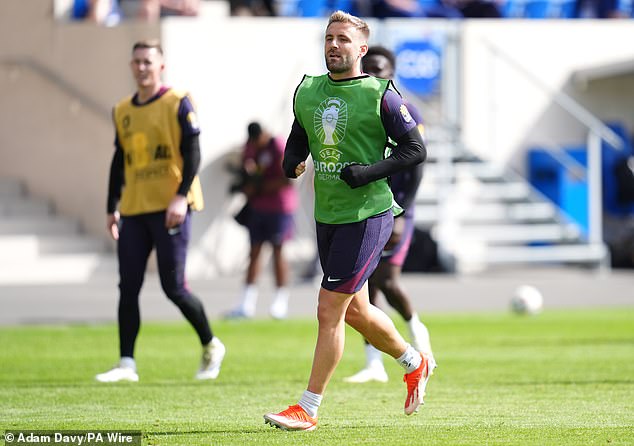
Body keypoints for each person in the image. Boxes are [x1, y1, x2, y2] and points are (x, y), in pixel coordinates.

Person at [263, 11, 435, 431]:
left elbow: (415, 150)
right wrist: (291, 160)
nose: (334, 45)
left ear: (361, 49)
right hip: (329, 214)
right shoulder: (307, 90)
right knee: (356, 311)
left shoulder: (381, 94)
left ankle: (308, 407)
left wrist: (368, 173)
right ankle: (415, 362)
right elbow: (299, 132)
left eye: (342, 39)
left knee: (328, 309)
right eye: (329, 38)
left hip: (367, 214)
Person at [96, 39, 225, 383]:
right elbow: (118, 161)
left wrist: (181, 196)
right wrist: (112, 207)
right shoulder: (122, 109)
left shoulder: (177, 102)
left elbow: (193, 152)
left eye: (147, 62)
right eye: (136, 61)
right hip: (135, 209)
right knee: (128, 286)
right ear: (131, 66)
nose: (142, 67)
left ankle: (211, 343)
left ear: (160, 66)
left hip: (171, 209)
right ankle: (126, 364)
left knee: (174, 288)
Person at [343, 46, 434, 384]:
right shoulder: (359, 109)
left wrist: (403, 211)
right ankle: (373, 363)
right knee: (364, 287)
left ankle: (419, 336)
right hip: (369, 206)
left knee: (388, 280)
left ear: (392, 73)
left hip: (397, 208)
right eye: (368, 69)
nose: (373, 74)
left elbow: (417, 163)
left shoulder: (404, 110)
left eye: (379, 69)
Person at [225, 122, 298, 319]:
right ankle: (245, 303)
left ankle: (280, 302)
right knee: (254, 252)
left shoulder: (277, 145)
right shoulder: (251, 144)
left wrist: (260, 187)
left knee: (278, 251)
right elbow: (247, 164)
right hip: (258, 207)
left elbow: (288, 178)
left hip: (279, 207)